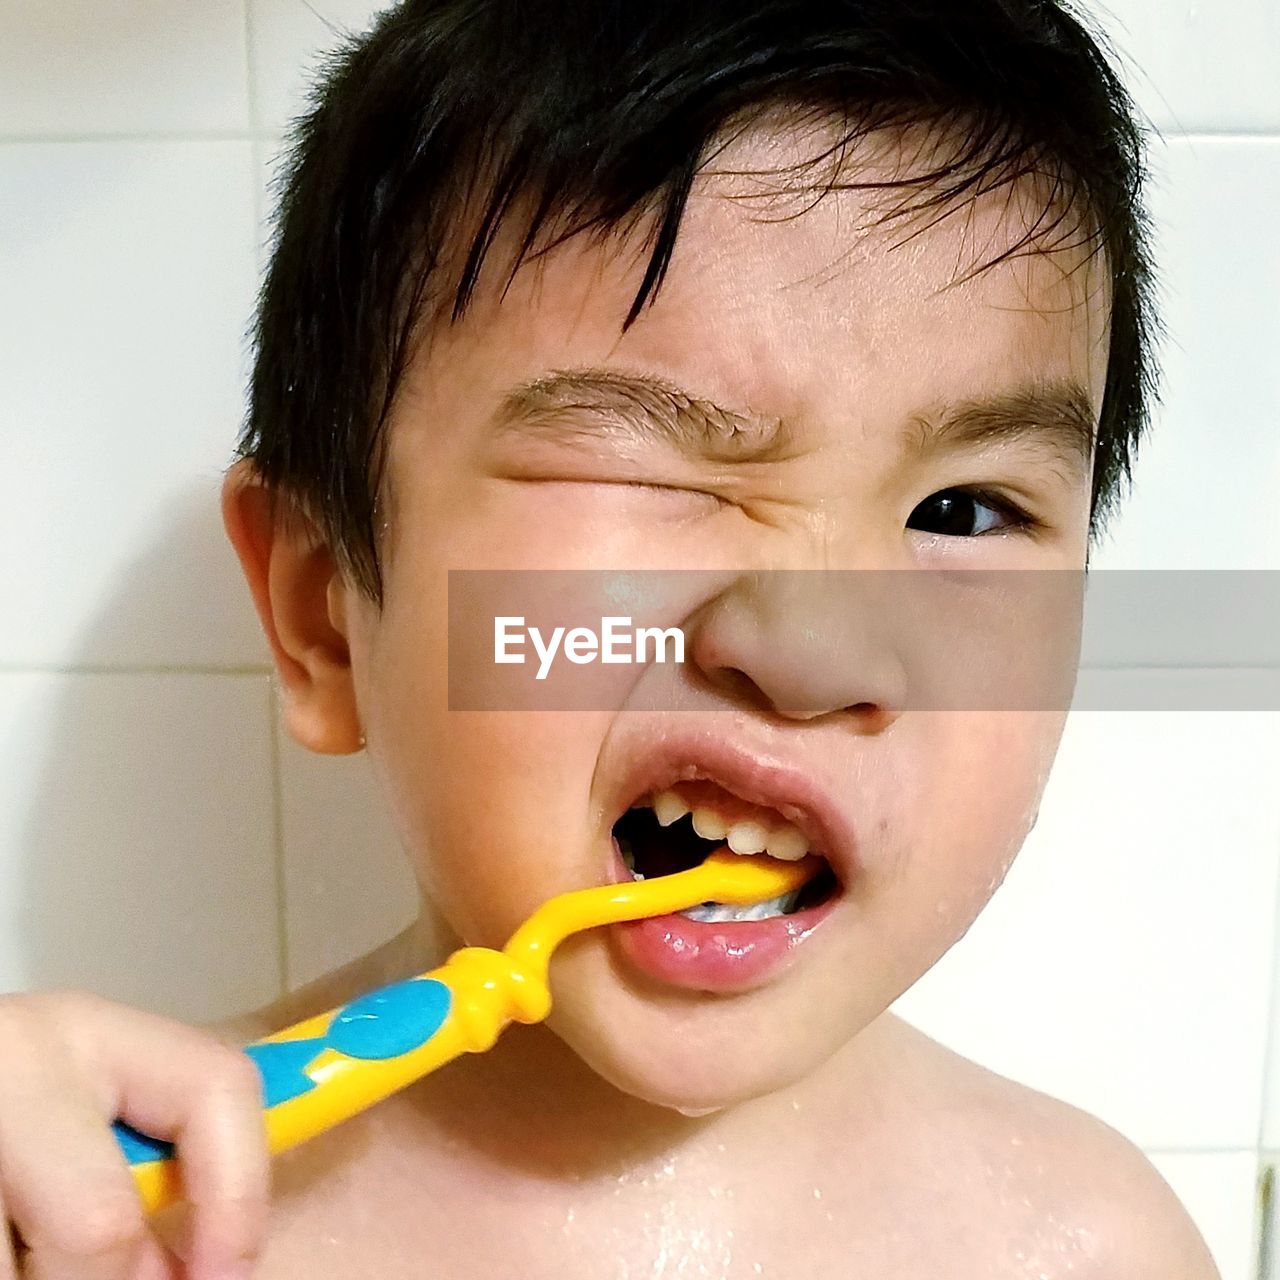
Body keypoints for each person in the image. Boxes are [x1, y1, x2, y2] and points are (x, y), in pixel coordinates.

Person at [0, 2, 1222, 1276]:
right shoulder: (132, 1221)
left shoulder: (1085, 1247)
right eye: (653, 475)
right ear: (322, 613)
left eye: (962, 512)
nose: (811, 650)